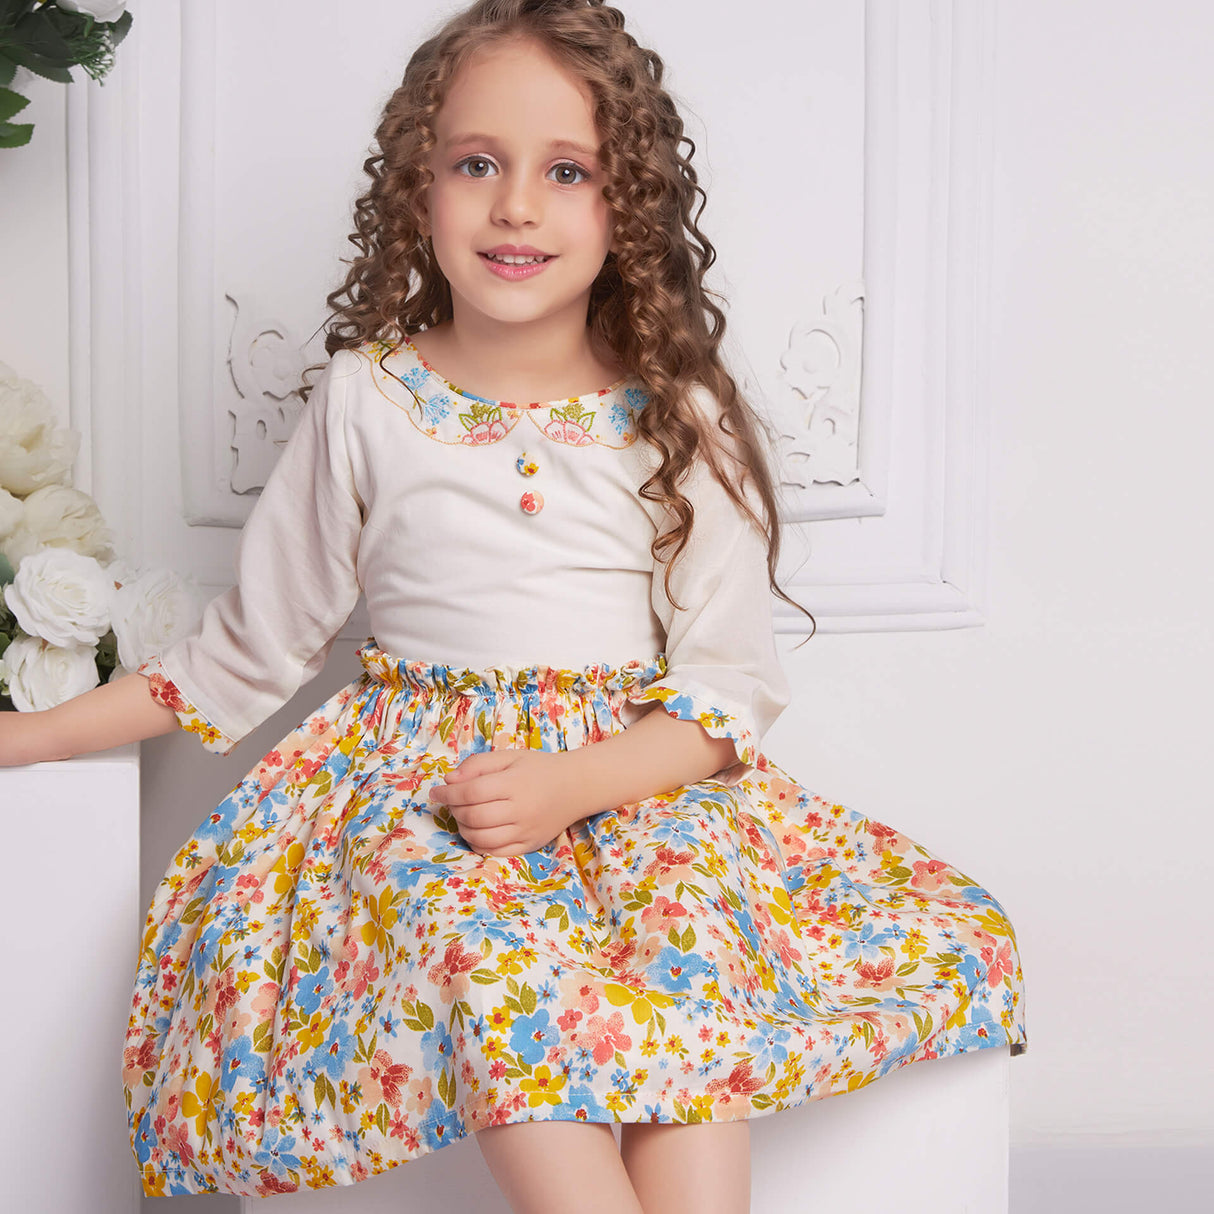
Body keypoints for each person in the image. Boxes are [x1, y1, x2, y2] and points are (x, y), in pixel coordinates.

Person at [0, 1, 1027, 1208]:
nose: (516, 207)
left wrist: (569, 784)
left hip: (635, 791)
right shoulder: (367, 398)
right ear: (416, 186)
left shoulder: (677, 415)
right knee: (487, 970)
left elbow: (726, 692)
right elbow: (243, 654)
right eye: (476, 164)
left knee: (684, 977)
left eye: (567, 171)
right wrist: (24, 734)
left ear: (627, 206)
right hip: (432, 804)